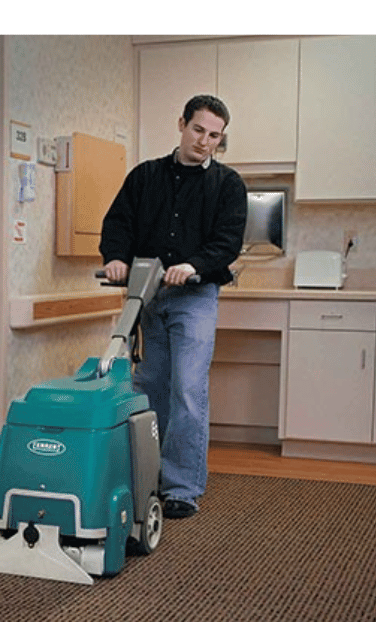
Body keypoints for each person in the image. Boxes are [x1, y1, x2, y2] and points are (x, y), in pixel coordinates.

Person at [100, 94, 247, 519]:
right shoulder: (145, 177)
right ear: (182, 123)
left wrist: (193, 265)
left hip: (195, 298)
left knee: (187, 390)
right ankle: (148, 476)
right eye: (198, 130)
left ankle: (181, 486)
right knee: (151, 388)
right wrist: (115, 256)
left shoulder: (228, 185)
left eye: (214, 136)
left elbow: (226, 242)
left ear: (221, 139)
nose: (205, 141)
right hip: (148, 295)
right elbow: (119, 223)